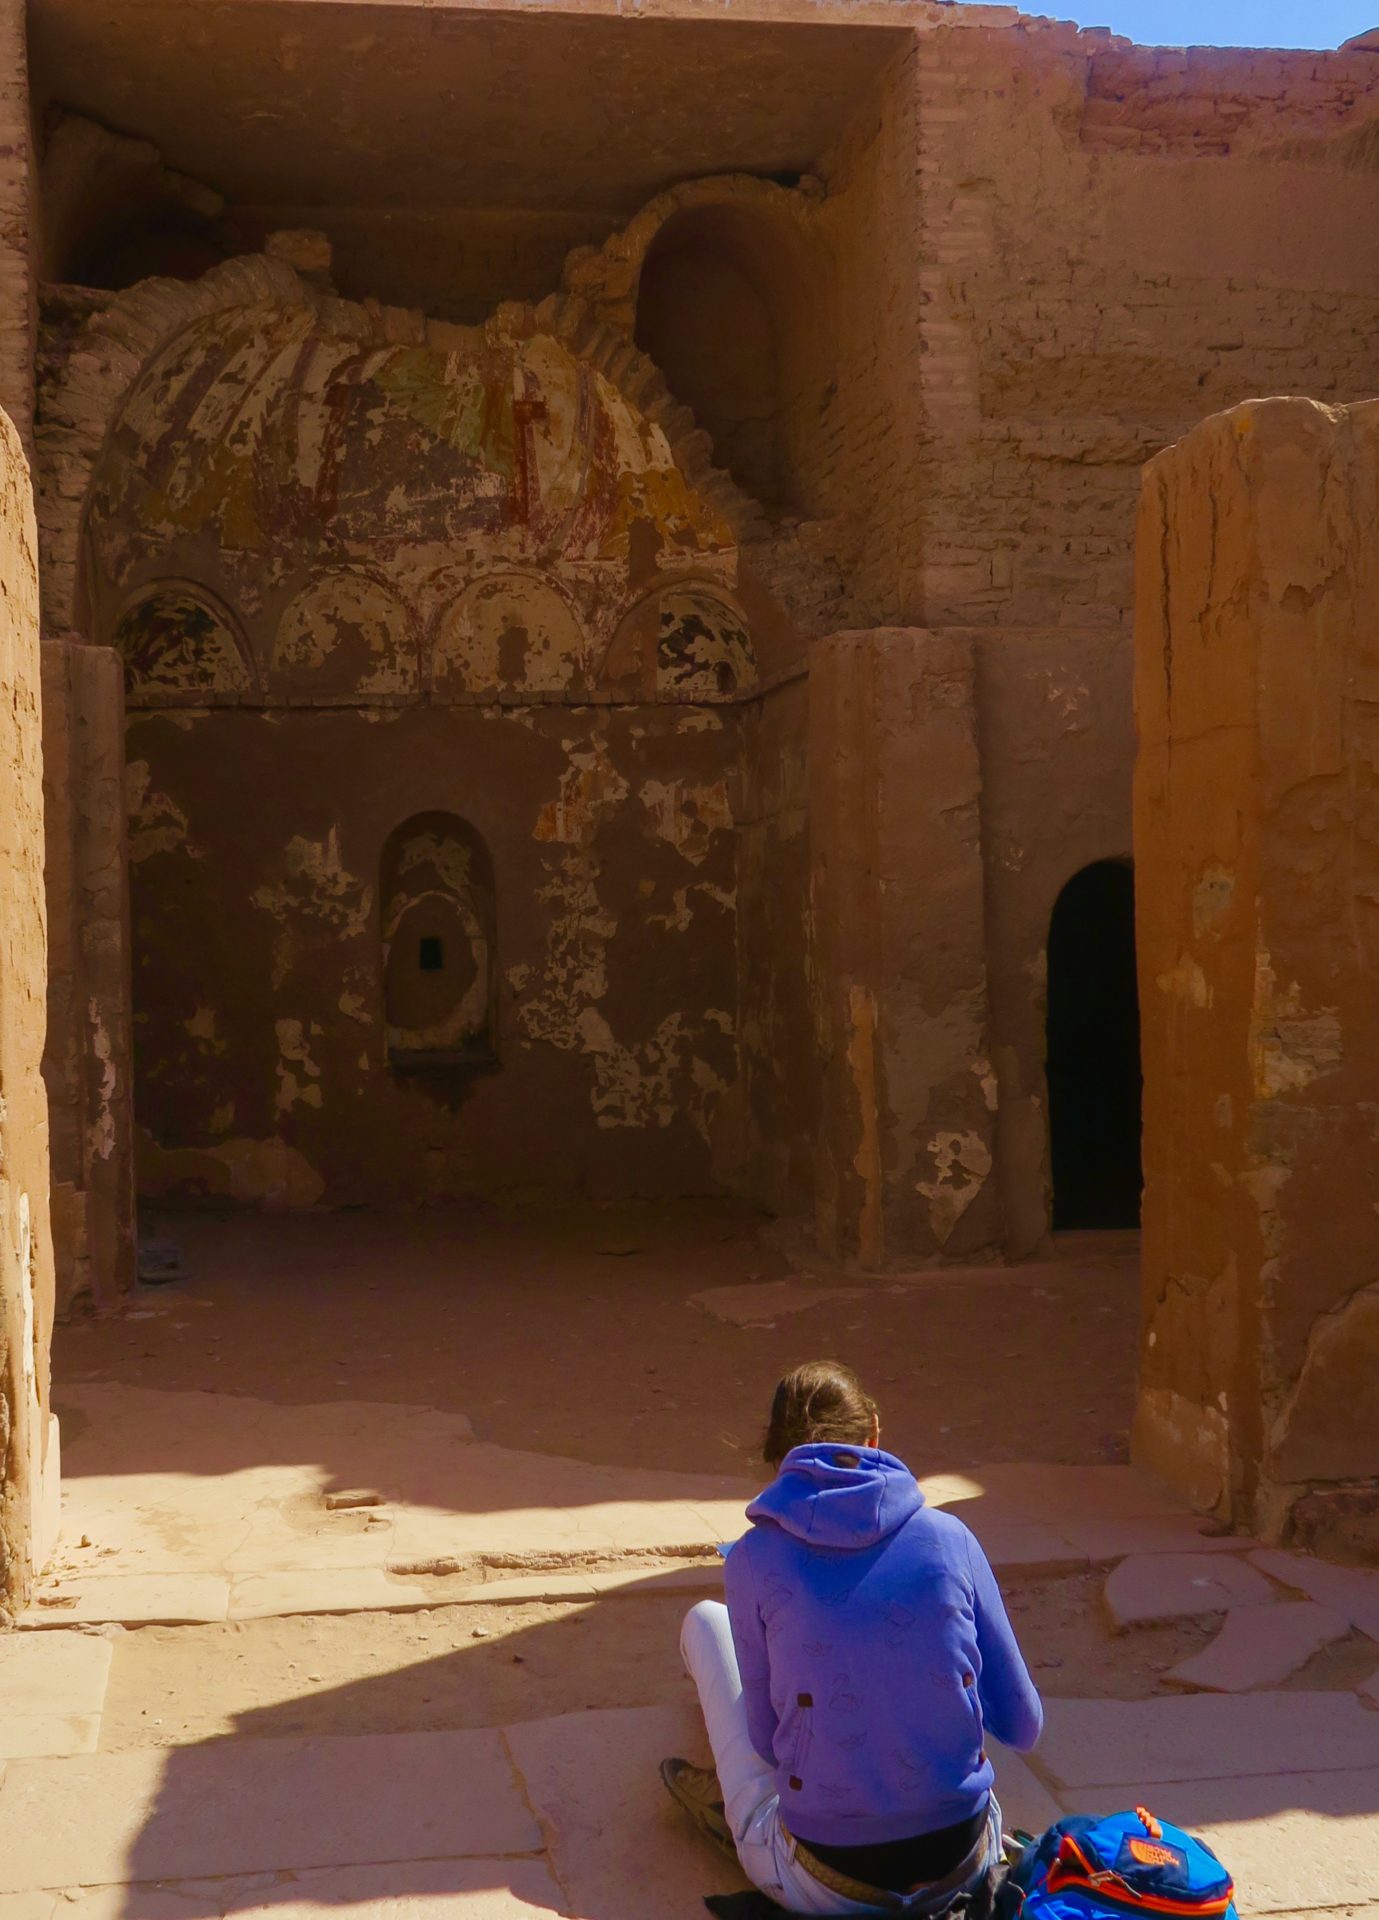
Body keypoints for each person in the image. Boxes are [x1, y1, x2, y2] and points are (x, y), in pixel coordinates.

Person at [662, 1361, 1044, 1916]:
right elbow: (1025, 1727)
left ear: (777, 1457)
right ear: (875, 1435)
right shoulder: (950, 1538)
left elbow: (769, 1742)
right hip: (964, 1863)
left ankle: (737, 1818)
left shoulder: (752, 1557)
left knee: (704, 1622)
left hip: (826, 1884)